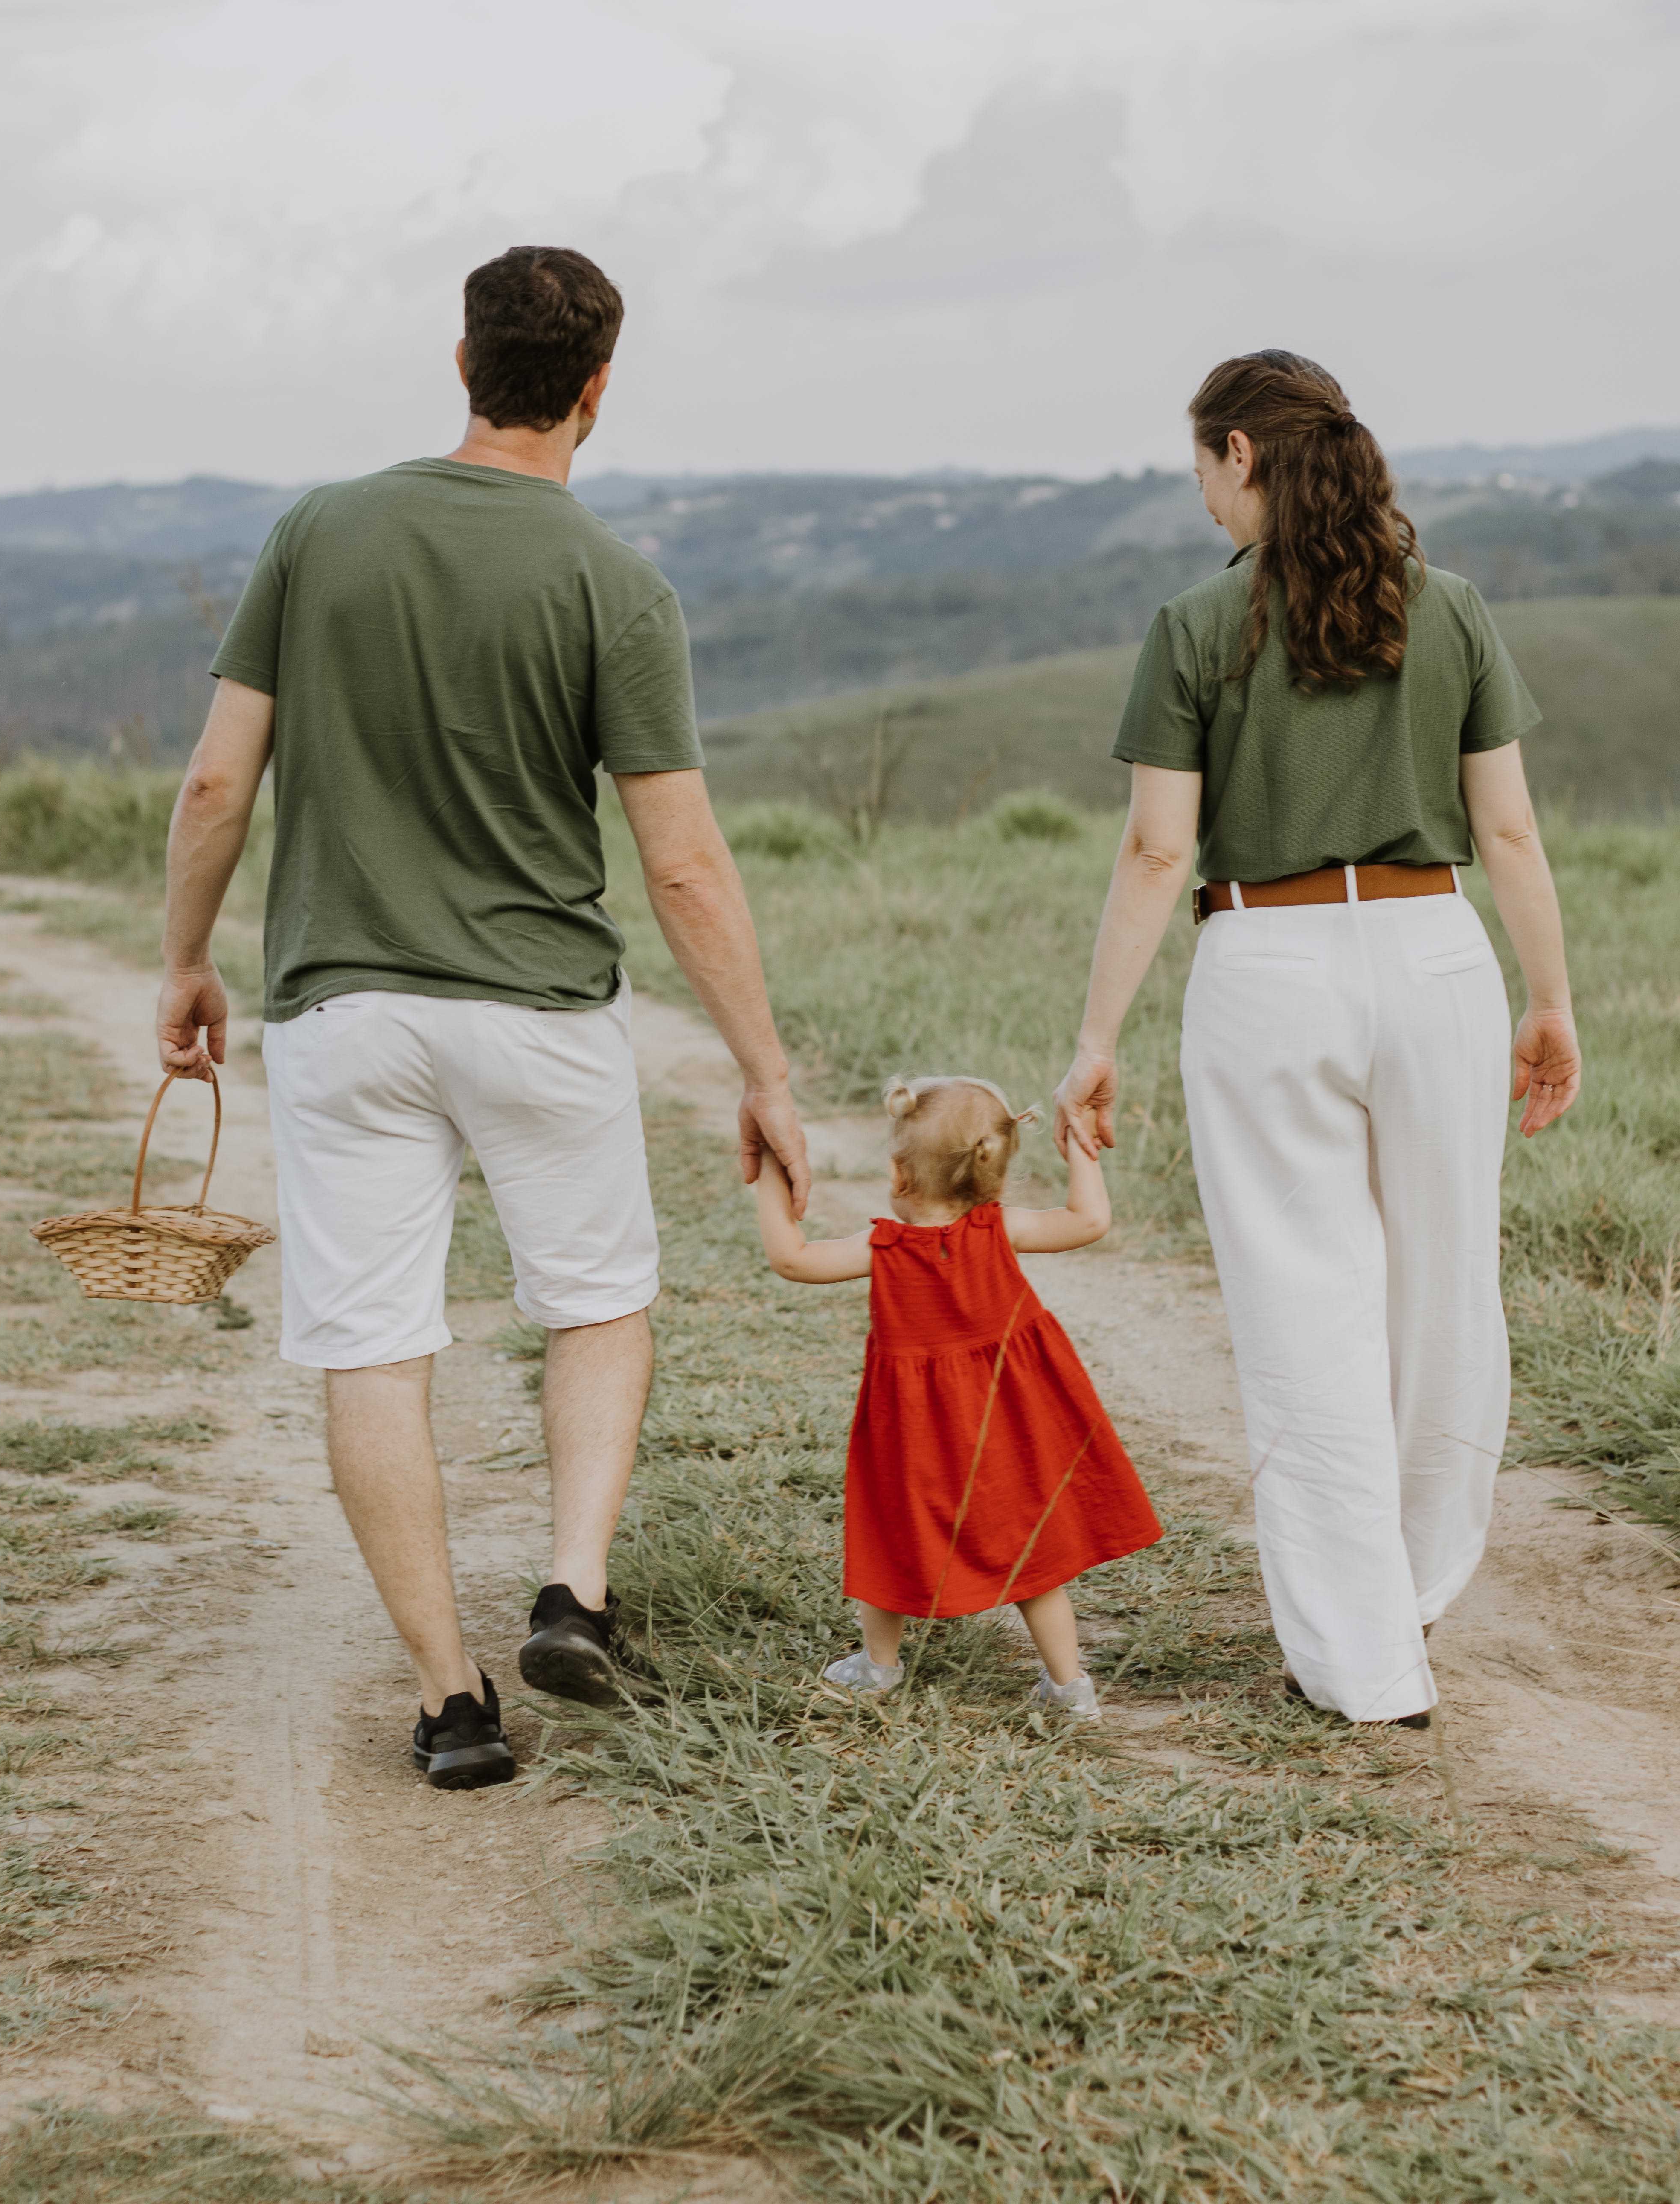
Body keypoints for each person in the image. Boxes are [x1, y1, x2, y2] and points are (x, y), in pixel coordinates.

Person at [155, 244, 811, 1789]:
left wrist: (185, 958)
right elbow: (684, 861)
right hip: (540, 1014)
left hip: (344, 1014)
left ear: (461, 366)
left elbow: (212, 783)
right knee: (596, 1300)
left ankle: (454, 1704)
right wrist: (766, 1069)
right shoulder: (614, 583)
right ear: (596, 393)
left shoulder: (319, 532)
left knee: (375, 1347)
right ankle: (574, 1590)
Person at [1054, 349, 1582, 1730]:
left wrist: (1096, 1034)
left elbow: (1159, 852)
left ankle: (1358, 1659)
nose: (1201, 502)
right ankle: (1407, 1592)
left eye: (1200, 472)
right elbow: (1512, 829)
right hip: (1435, 952)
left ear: (1241, 454)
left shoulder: (1192, 625)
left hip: (1267, 965)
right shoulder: (1451, 608)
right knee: (1444, 1296)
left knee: (1305, 1310)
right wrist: (1551, 998)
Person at [755, 1075, 1162, 1721]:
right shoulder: (1001, 1230)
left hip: (914, 1431)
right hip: (1010, 1422)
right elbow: (1090, 1220)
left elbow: (793, 1259)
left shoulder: (885, 1247)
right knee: (1030, 1547)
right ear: (993, 1173)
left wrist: (772, 1171)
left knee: (890, 1530)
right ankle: (1069, 1686)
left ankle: (880, 1667)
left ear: (897, 1172)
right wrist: (1081, 1139)